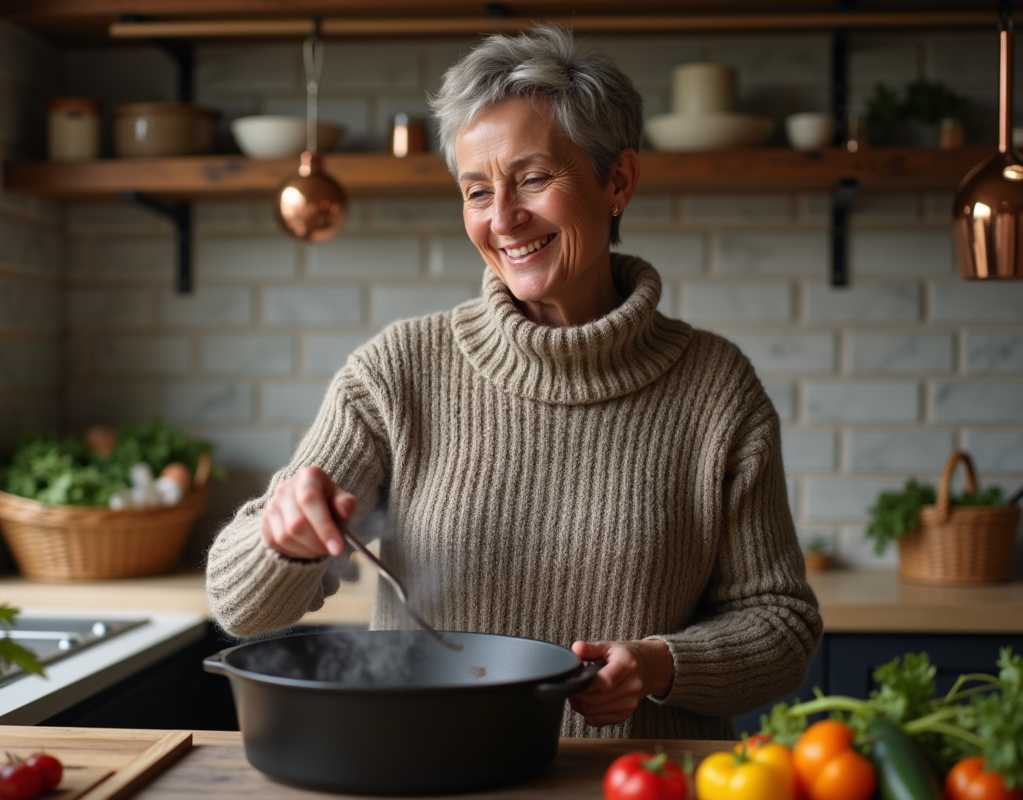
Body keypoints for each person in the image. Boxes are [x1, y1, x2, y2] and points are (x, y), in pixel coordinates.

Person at [206, 24, 822, 740]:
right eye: (476, 191)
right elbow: (239, 605)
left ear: (617, 180)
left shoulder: (716, 390)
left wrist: (659, 665)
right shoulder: (398, 372)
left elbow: (781, 627)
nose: (502, 219)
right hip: (432, 777)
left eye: (533, 178)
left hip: (631, 782)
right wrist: (283, 538)